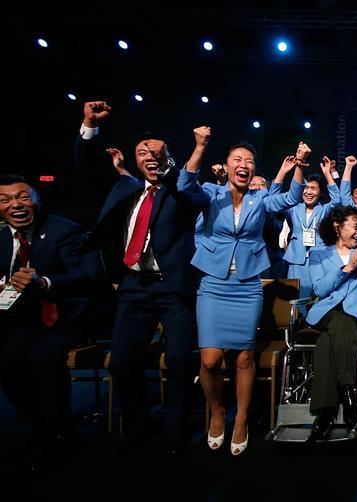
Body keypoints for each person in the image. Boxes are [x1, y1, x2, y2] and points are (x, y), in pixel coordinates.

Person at [75, 101, 201, 455]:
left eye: (156, 152)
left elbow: (192, 196)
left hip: (172, 289)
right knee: (121, 362)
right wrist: (89, 126)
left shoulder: (181, 189)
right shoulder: (126, 187)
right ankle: (137, 424)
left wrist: (168, 166)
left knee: (178, 361)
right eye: (142, 152)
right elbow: (87, 166)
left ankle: (176, 431)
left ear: (168, 158)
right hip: (133, 287)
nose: (149, 156)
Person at [177, 127, 307, 455]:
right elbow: (184, 186)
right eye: (237, 159)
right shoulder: (212, 193)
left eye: (249, 161)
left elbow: (291, 198)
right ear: (227, 165)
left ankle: (242, 419)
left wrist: (300, 166)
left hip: (248, 286)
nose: (243, 165)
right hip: (213, 284)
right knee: (209, 360)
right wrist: (200, 147)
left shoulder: (259, 198)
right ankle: (218, 411)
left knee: (244, 357)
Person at [0, 174, 94, 470]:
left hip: (68, 313)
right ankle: (38, 428)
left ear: (37, 200)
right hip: (24, 318)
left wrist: (43, 283)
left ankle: (61, 436)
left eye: (22, 197)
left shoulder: (65, 231)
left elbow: (84, 277)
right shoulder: (2, 236)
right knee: (7, 360)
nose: (15, 204)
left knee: (45, 357)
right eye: (5, 200)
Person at [305, 207, 357, 439]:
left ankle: (325, 411)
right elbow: (319, 288)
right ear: (337, 227)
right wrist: (348, 268)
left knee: (326, 343)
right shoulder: (319, 254)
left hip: (354, 313)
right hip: (327, 312)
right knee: (338, 323)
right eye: (355, 226)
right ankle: (348, 391)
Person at [274, 154, 341, 297]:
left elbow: (337, 200)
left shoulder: (324, 210)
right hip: (296, 259)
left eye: (313, 188)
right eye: (305, 188)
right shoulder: (293, 208)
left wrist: (327, 174)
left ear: (320, 192)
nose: (308, 192)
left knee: (317, 296)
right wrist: (283, 171)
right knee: (295, 297)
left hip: (318, 259)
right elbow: (274, 200)